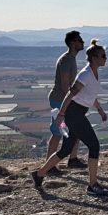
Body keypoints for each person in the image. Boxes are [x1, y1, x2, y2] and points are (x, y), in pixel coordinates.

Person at [32, 39, 108, 196]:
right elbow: (70, 94)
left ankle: (39, 174)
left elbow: (90, 95)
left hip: (77, 113)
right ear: (94, 58)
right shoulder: (86, 74)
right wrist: (62, 114)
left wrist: (100, 111)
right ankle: (92, 185)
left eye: (105, 55)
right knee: (94, 145)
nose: (105, 58)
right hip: (73, 113)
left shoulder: (94, 73)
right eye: (103, 55)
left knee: (66, 149)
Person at [46, 30, 86, 171]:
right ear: (72, 43)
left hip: (63, 100)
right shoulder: (66, 60)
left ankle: (73, 159)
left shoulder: (70, 59)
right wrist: (70, 102)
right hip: (60, 101)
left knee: (75, 129)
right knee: (57, 132)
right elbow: (64, 85)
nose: (82, 42)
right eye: (79, 40)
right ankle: (49, 166)